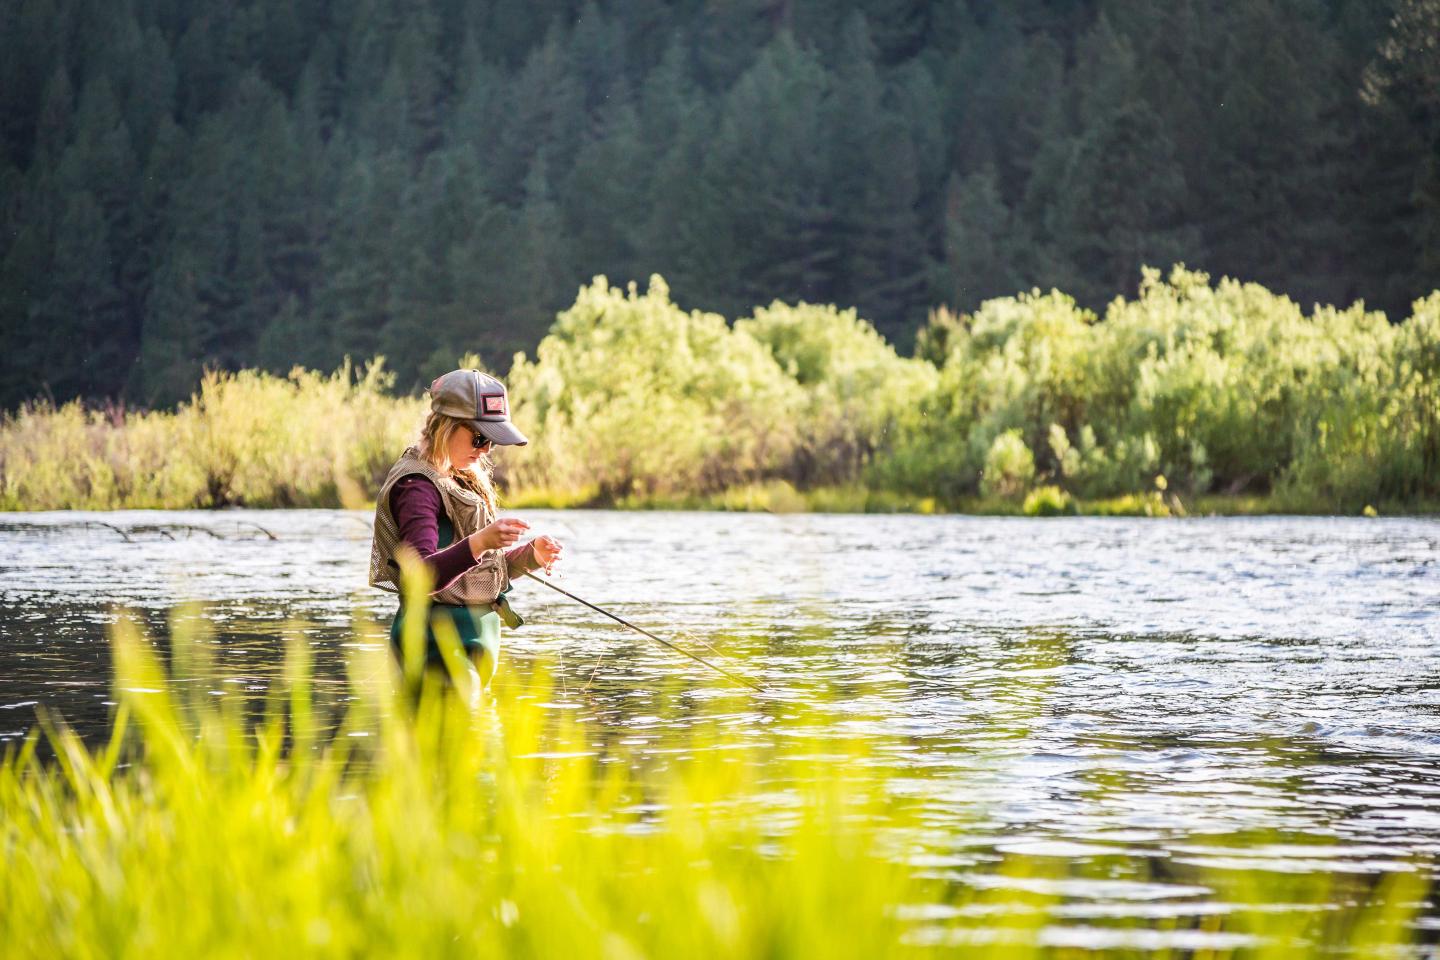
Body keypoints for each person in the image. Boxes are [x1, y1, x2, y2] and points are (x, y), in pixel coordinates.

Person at [369, 368, 562, 689]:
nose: (485, 449)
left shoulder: (456, 476)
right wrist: (481, 541)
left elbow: (470, 575)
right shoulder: (417, 488)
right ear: (444, 426)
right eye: (479, 437)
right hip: (437, 651)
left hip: (468, 653)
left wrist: (530, 556)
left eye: (492, 441)